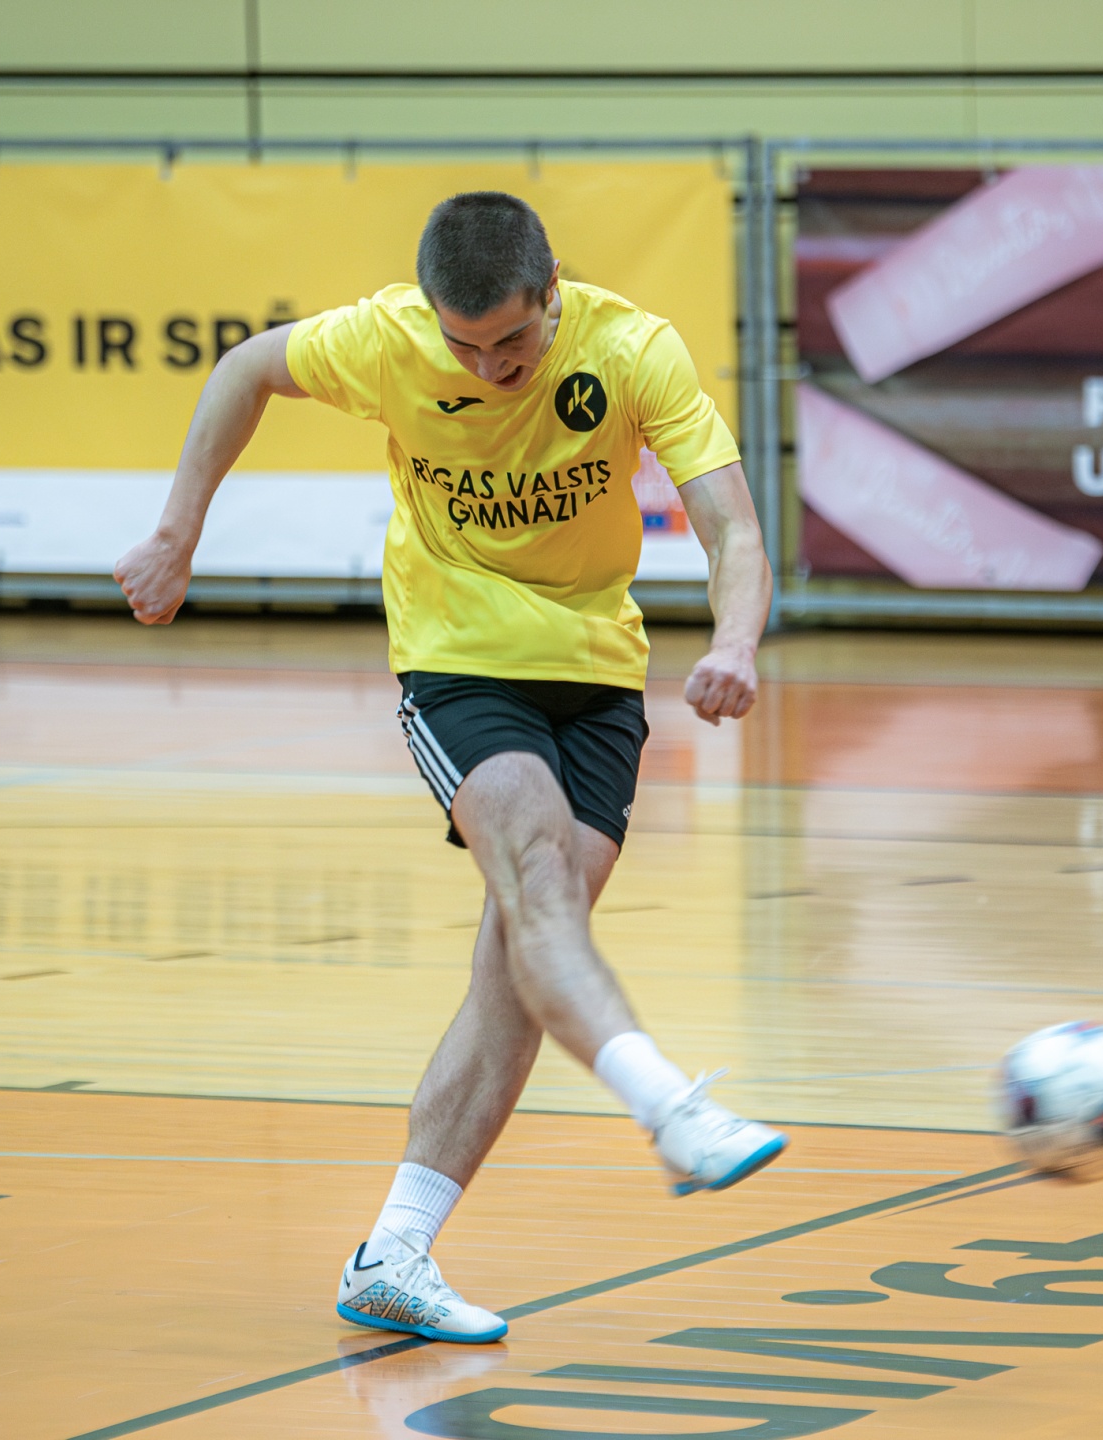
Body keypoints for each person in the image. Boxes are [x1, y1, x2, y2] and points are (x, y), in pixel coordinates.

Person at [113, 192, 784, 1346]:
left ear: (553, 293)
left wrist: (733, 643)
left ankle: (393, 1253)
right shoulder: (388, 340)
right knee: (537, 881)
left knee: (527, 959)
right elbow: (245, 368)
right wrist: (179, 531)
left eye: (511, 342)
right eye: (463, 346)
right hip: (458, 660)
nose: (487, 368)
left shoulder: (633, 351)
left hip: (596, 674)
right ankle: (669, 1108)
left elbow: (731, 528)